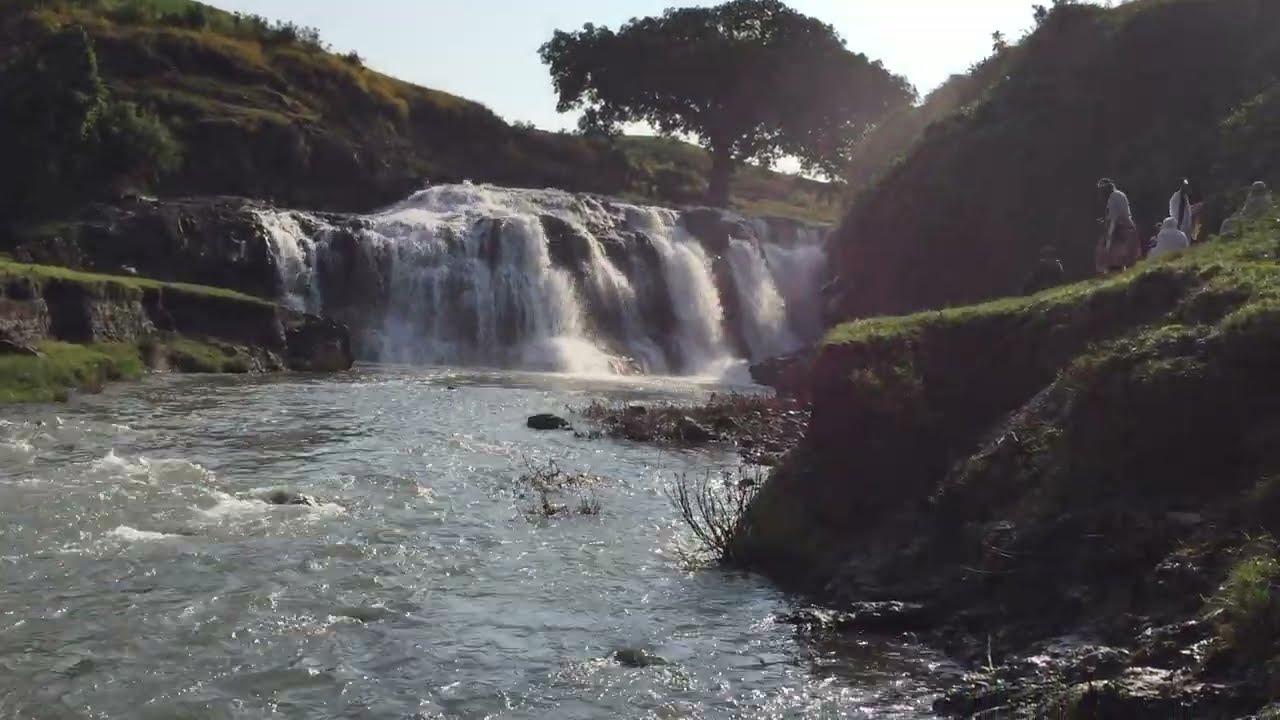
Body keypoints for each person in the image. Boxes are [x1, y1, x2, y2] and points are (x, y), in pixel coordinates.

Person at [1095, 178, 1139, 274]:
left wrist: (1109, 236)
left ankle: (1114, 273)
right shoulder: (1119, 194)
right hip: (1127, 225)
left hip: (1120, 228)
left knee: (1113, 256)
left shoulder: (1113, 197)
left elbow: (1115, 217)